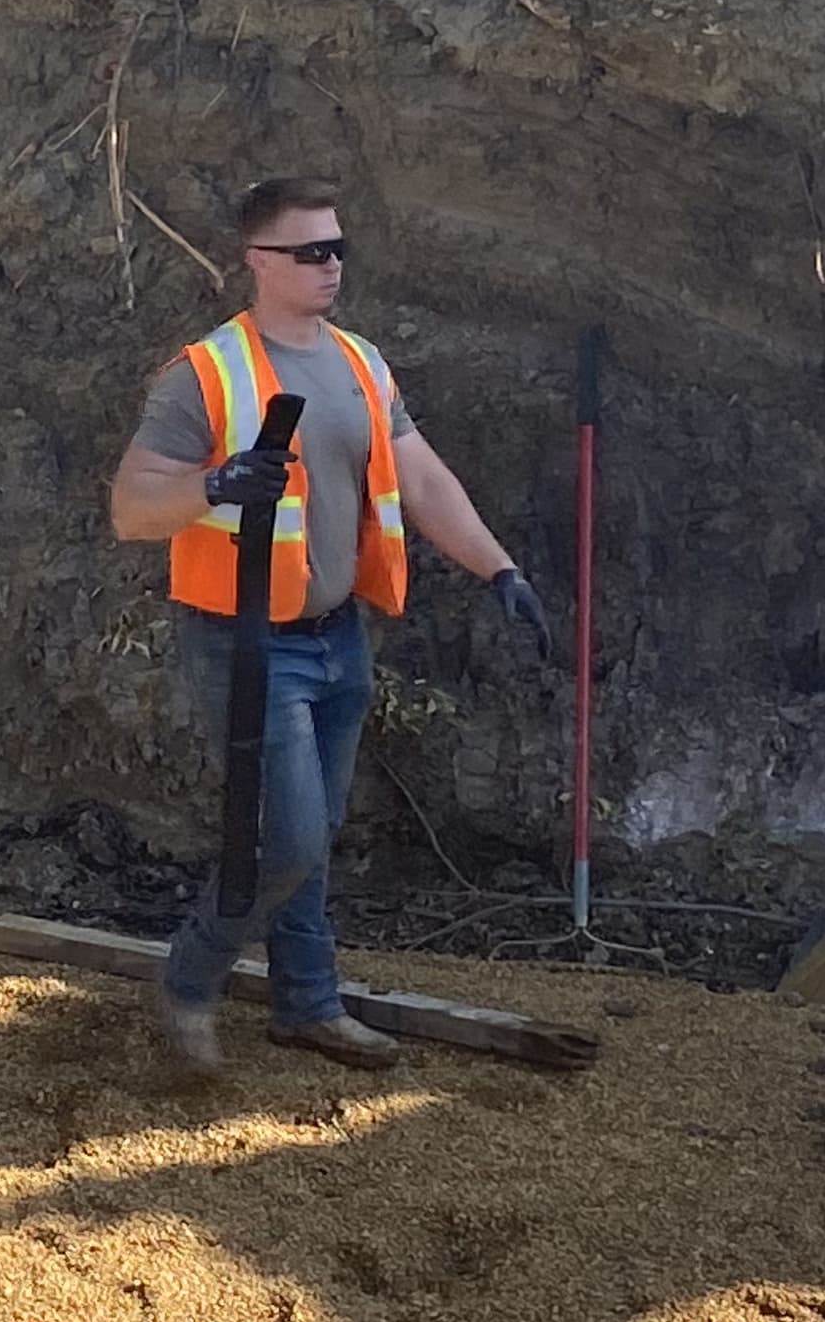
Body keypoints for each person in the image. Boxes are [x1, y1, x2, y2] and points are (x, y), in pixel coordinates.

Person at [109, 175, 552, 1075]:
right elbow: (131, 508)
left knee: (316, 833)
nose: (331, 266)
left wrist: (497, 567)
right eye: (310, 252)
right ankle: (192, 980)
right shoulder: (206, 374)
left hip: (337, 634)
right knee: (289, 839)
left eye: (338, 248)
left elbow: (423, 479)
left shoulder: (360, 364)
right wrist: (214, 485)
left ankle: (306, 1004)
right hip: (243, 640)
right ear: (257, 263)